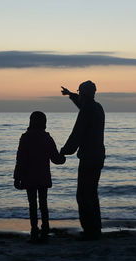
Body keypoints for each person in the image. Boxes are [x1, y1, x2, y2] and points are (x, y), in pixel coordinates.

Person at [60, 80, 105, 240]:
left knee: (83, 195)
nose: (79, 95)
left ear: (84, 94)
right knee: (92, 193)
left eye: (79, 93)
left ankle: (89, 230)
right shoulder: (97, 107)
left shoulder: (87, 110)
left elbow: (76, 134)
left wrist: (64, 152)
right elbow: (82, 105)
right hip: (98, 156)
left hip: (89, 157)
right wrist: (71, 95)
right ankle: (95, 228)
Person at [13, 111, 66, 243]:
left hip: (28, 176)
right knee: (43, 203)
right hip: (43, 176)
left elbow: (20, 159)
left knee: (32, 204)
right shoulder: (46, 138)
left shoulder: (25, 138)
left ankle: (34, 230)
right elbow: (55, 158)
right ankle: (45, 228)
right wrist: (63, 157)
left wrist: (16, 177)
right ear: (44, 122)